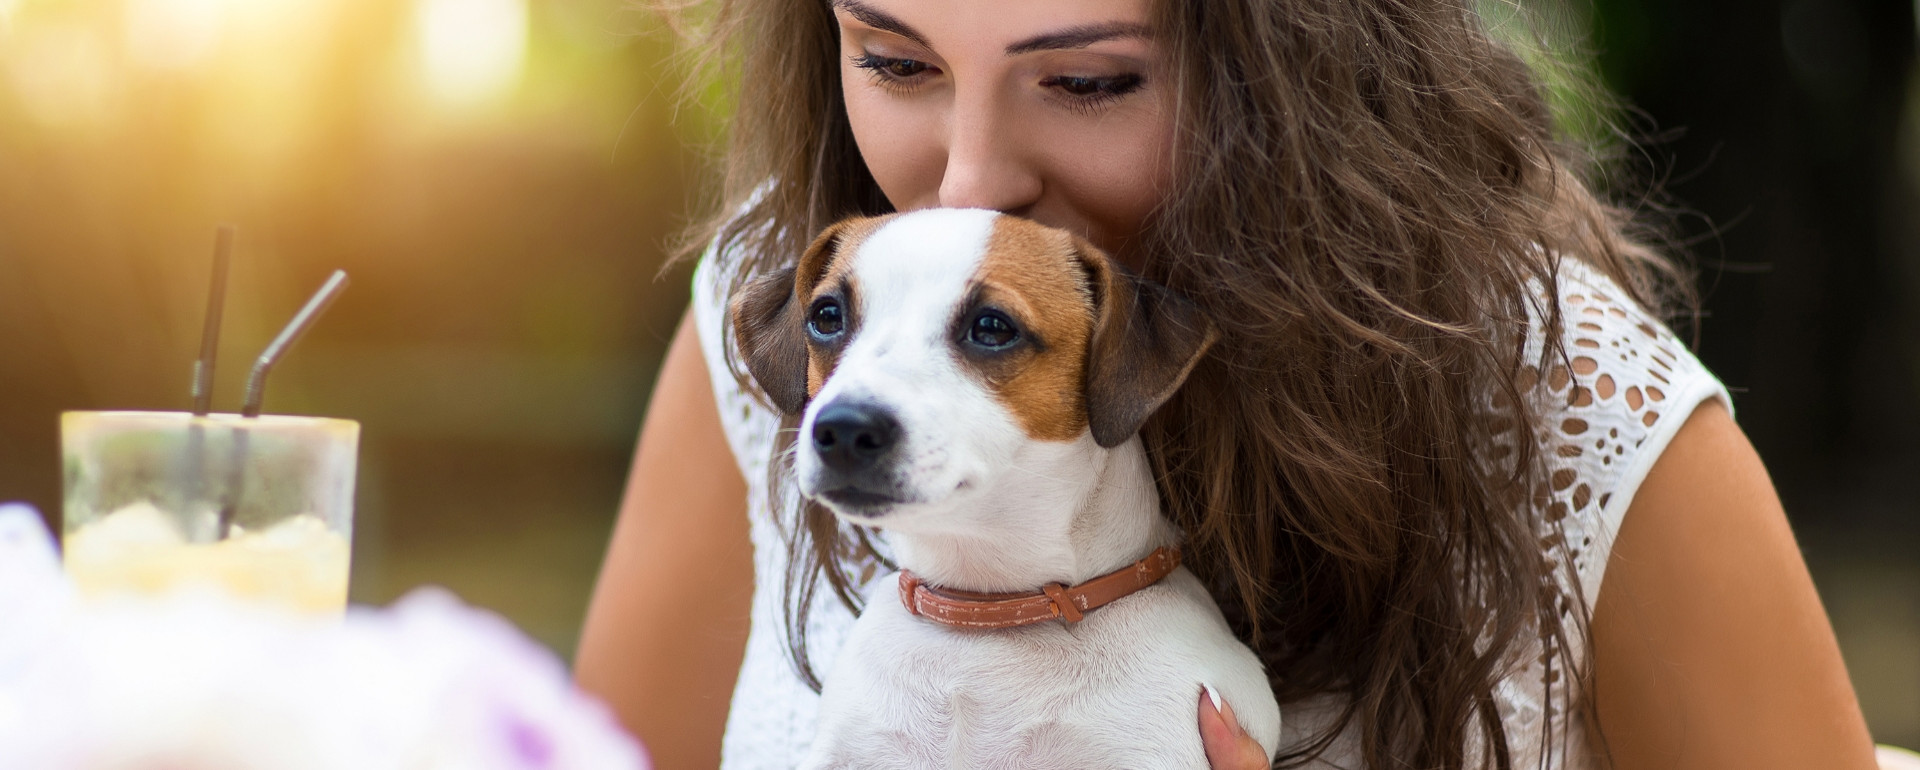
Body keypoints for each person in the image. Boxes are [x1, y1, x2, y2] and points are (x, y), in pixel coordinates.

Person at [573, 0, 1881, 768]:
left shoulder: (1578, 416)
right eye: (896, 60)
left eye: (1088, 81)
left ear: (1298, 86)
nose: (967, 179)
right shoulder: (800, 327)